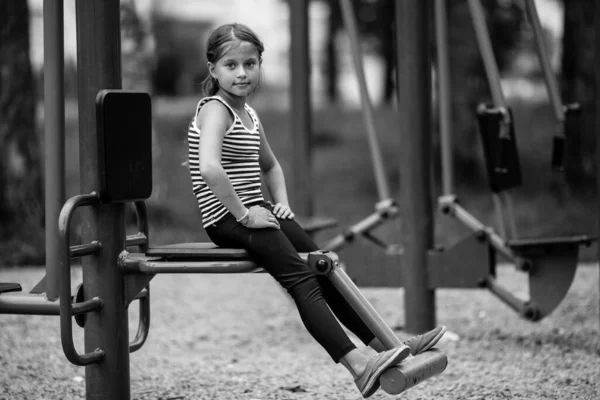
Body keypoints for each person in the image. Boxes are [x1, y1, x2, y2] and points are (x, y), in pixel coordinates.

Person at [187, 23, 446, 398]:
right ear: (213, 70)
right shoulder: (215, 110)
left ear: (260, 64)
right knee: (302, 279)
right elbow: (210, 167)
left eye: (249, 63)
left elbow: (271, 166)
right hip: (227, 218)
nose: (241, 73)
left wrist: (282, 204)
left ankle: (385, 347)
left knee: (325, 267)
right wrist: (245, 215)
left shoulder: (249, 115)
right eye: (230, 65)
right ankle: (359, 366)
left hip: (256, 210)